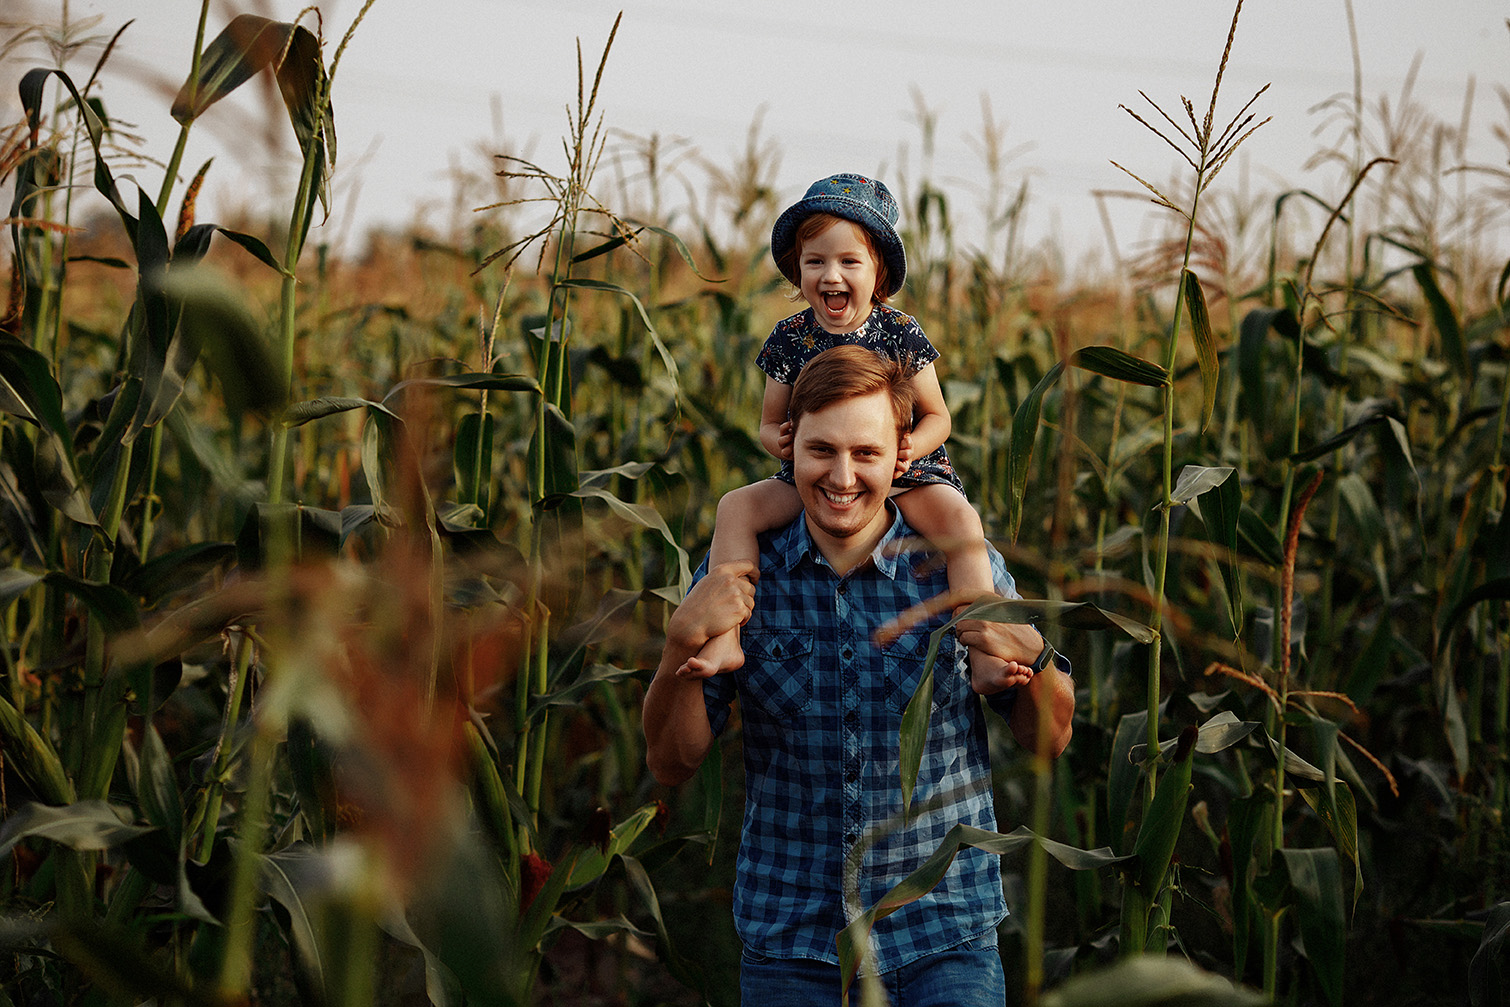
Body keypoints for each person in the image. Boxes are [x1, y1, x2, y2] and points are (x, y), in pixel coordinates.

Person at [643, 345, 1075, 1005]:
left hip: (943, 938)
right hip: (795, 943)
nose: (842, 476)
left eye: (865, 453)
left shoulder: (960, 566)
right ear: (790, 450)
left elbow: (1047, 738)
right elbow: (672, 762)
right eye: (821, 450)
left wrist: (1036, 658)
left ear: (900, 454)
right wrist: (680, 644)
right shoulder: (740, 573)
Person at [678, 173, 998, 691]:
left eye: (849, 261)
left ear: (878, 273)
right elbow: (768, 422)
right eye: (815, 262)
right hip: (815, 470)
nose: (831, 275)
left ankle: (984, 648)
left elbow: (939, 415)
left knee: (960, 522)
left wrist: (912, 446)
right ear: (797, 269)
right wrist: (777, 442)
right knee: (735, 507)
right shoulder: (789, 337)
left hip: (908, 469)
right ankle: (725, 636)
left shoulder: (900, 332)